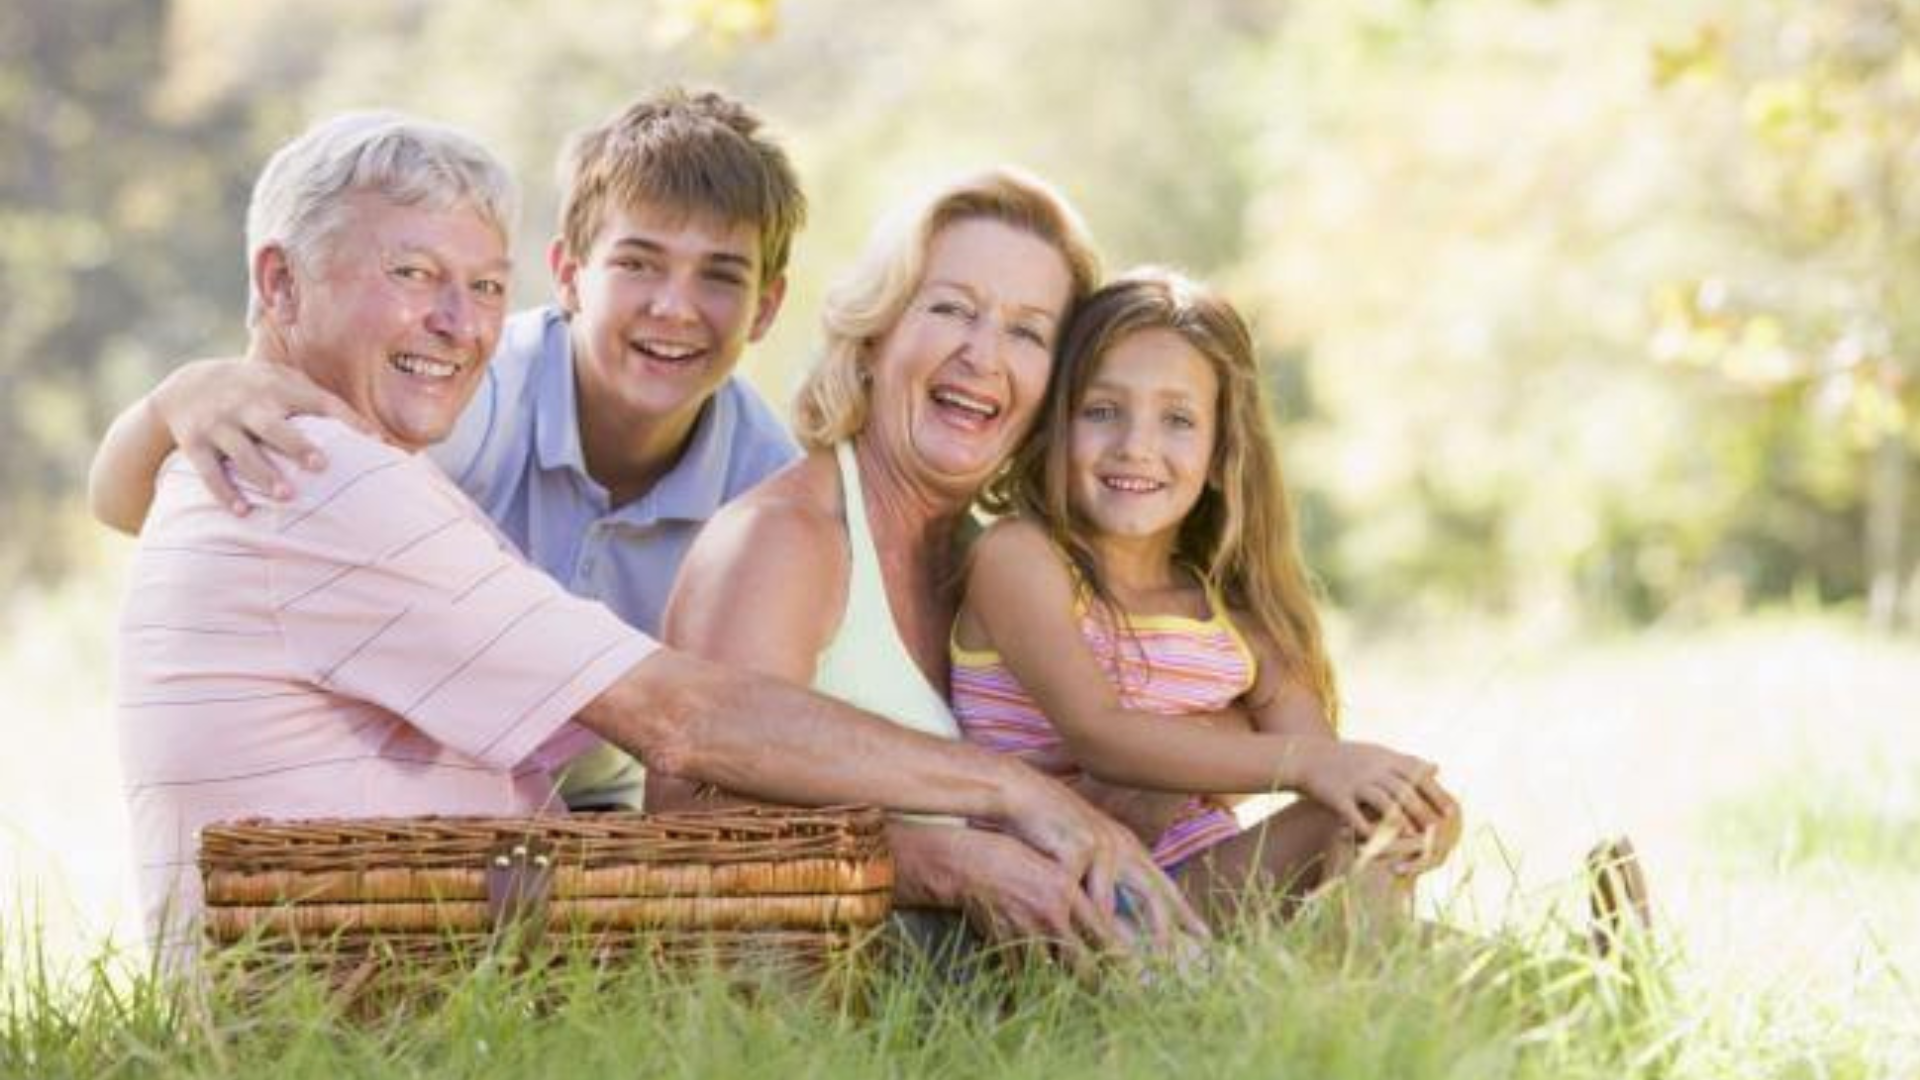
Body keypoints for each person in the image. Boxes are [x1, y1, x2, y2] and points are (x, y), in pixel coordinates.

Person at [105, 110, 1192, 958]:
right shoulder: (331, 463)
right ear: (279, 283)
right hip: (360, 966)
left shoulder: (750, 462)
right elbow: (684, 723)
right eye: (412, 276)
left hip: (455, 902)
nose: (456, 322)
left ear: (767, 307)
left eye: (481, 286)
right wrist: (1006, 807)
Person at [93, 88, 807, 811]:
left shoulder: (765, 488)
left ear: (767, 307)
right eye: (639, 264)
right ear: (568, 276)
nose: (674, 307)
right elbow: (135, 503)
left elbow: (728, 732)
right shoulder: (460, 393)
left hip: (592, 800)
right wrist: (176, 399)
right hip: (428, 793)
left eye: (719, 276)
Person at [652, 170, 1186, 953]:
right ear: (876, 335)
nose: (984, 355)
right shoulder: (784, 538)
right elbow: (688, 825)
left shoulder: (1000, 565)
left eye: (1028, 332)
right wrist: (945, 861)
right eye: (951, 309)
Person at [951, 268, 1463, 927]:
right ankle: (1383, 977)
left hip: (1201, 898)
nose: (1136, 446)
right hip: (1067, 902)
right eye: (1102, 411)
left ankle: (1405, 979)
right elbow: (1099, 733)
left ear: (1224, 449)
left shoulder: (1238, 619)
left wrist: (1417, 815)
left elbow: (1335, 778)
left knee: (1364, 814)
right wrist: (1306, 764)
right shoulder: (1020, 557)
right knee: (1347, 808)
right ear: (1055, 425)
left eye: (1178, 420)